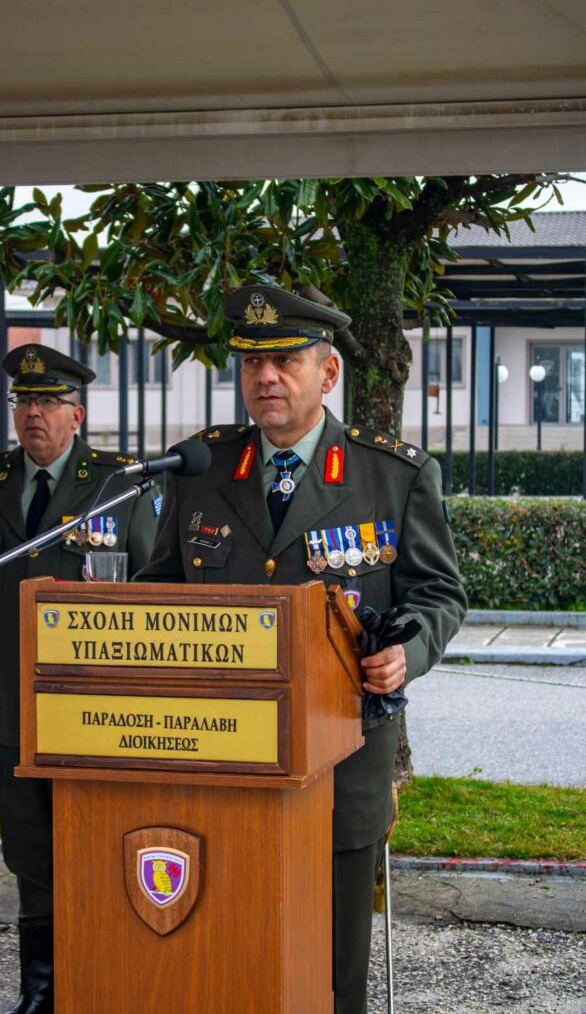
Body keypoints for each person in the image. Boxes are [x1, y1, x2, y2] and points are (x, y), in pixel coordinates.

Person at [136, 285, 467, 1014]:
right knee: (230, 946)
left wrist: (406, 654)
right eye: (252, 363)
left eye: (285, 361)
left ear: (328, 373)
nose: (265, 378)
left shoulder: (393, 474)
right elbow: (159, 588)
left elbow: (439, 593)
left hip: (341, 755)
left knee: (333, 962)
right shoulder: (203, 469)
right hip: (222, 755)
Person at [0, 343, 159, 1014]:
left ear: (77, 414)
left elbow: (154, 587)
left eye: (47, 402)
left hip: (96, 703)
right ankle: (42, 991)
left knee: (97, 841)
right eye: (23, 401)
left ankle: (103, 980)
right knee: (29, 851)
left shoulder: (119, 483)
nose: (33, 414)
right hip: (9, 697)